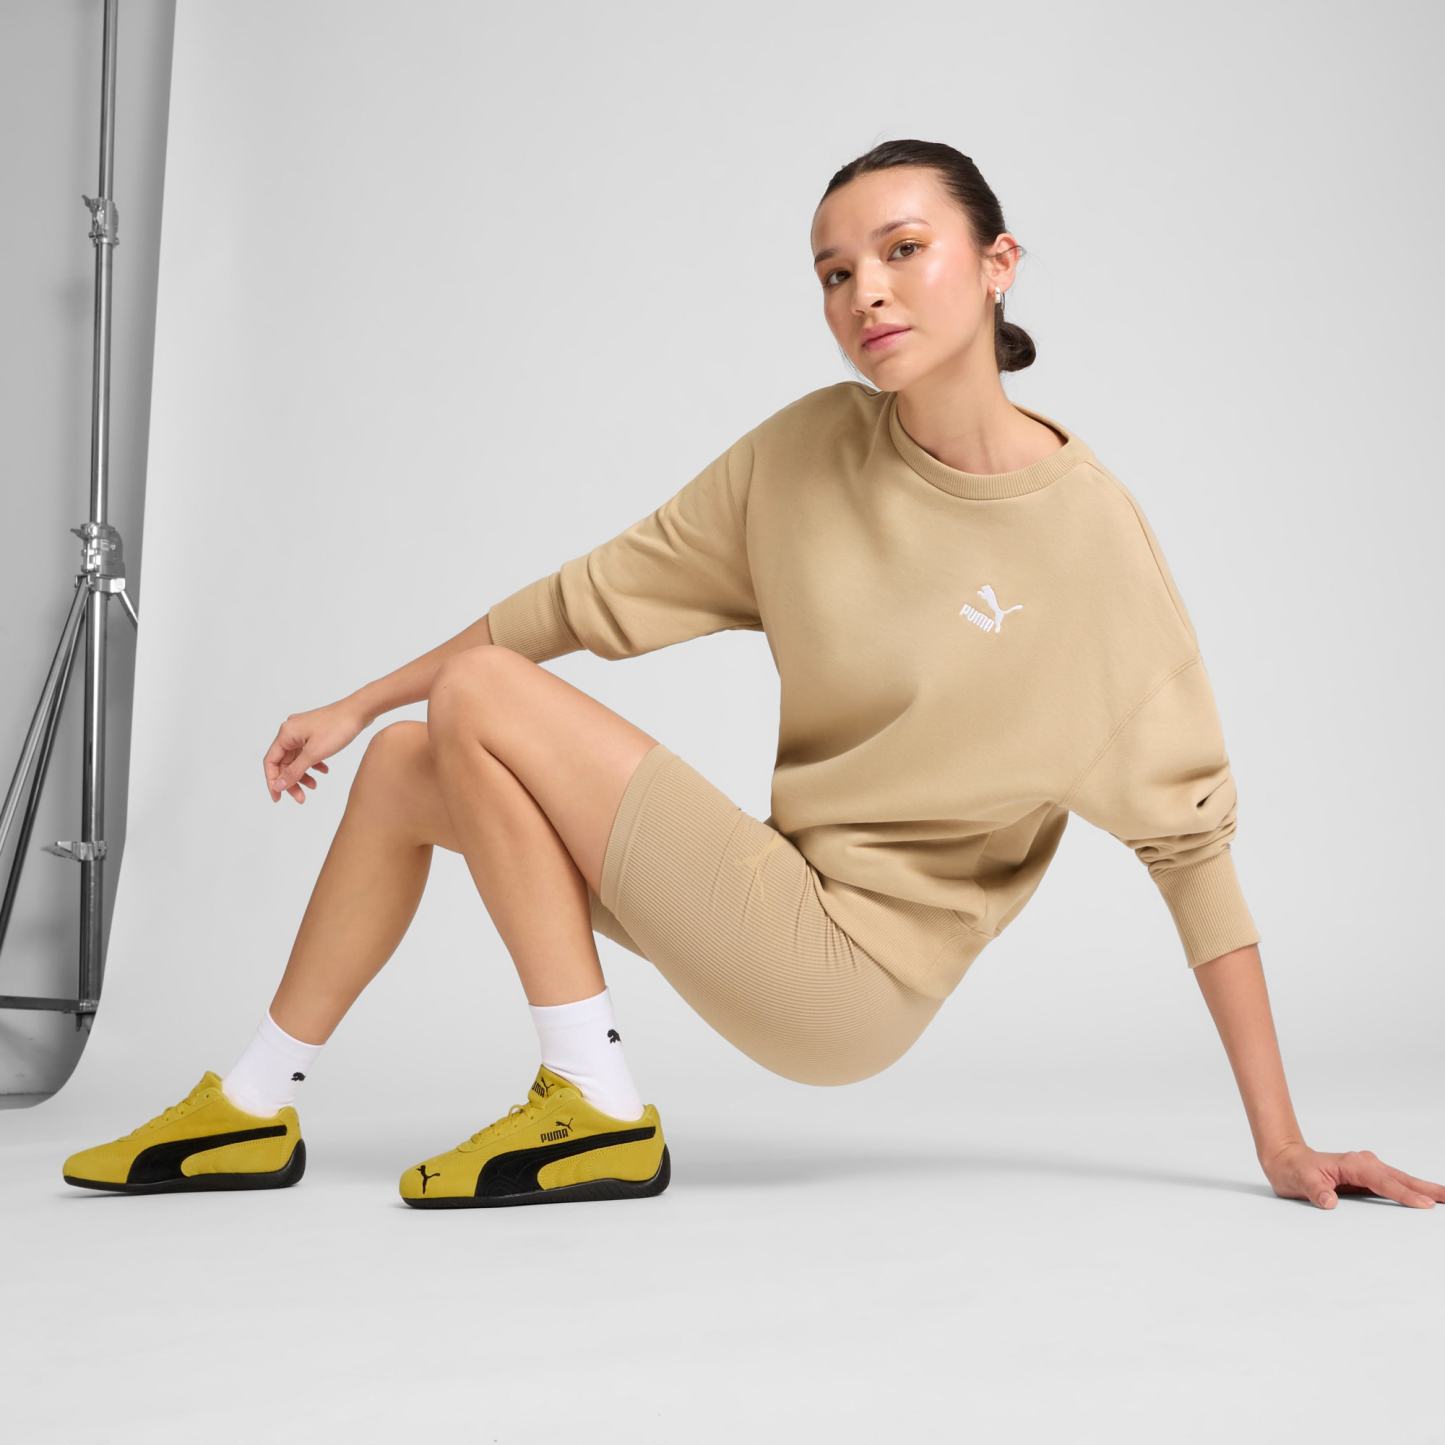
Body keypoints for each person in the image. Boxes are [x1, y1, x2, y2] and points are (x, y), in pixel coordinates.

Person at [62, 139, 1442, 1213]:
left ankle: (592, 1103)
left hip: (855, 978)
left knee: (475, 703)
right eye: (834, 273)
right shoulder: (808, 453)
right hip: (775, 894)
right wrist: (362, 700)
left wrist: (1281, 1141)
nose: (866, 293)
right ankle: (252, 1103)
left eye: (904, 251)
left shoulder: (1090, 543)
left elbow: (1191, 853)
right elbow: (581, 600)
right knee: (413, 757)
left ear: (999, 263)